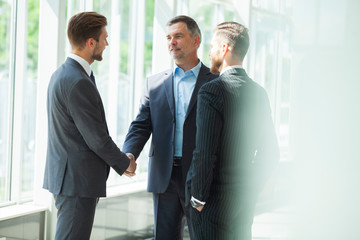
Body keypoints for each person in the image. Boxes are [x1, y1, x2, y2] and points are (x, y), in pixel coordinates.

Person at [43, 12, 136, 240]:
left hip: (71, 180)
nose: (107, 43)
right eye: (104, 37)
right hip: (76, 183)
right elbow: (96, 138)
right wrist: (125, 163)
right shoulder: (77, 81)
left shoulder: (63, 74)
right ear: (90, 42)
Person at [122, 15, 217, 239]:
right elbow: (141, 124)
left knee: (203, 235)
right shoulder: (154, 84)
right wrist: (129, 152)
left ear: (196, 41)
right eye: (168, 37)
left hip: (200, 176)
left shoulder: (215, 82)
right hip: (164, 176)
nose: (171, 42)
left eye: (178, 36)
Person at [186, 22, 280, 239]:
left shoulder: (211, 91)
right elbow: (270, 151)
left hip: (211, 203)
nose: (208, 53)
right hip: (243, 200)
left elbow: (205, 152)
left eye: (212, 47)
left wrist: (198, 199)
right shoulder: (259, 93)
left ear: (225, 48)